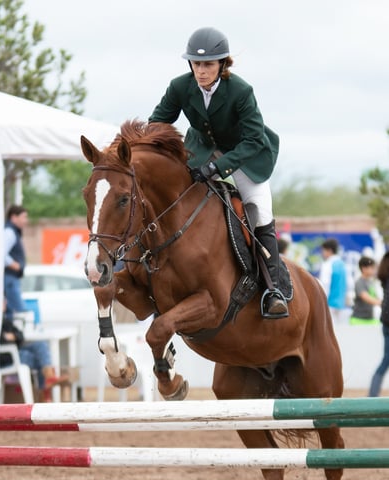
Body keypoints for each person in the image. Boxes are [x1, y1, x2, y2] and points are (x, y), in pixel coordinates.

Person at [148, 27, 288, 318]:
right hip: (201, 150)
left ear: (222, 64)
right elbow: (158, 122)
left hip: (246, 155)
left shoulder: (240, 91)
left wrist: (218, 167)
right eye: (197, 64)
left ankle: (273, 289)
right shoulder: (179, 86)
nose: (201, 71)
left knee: (260, 212)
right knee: (176, 200)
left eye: (208, 64)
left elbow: (253, 140)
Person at [0, 291, 68, 402]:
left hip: (15, 350)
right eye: (2, 300)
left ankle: (48, 379)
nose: (5, 302)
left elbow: (20, 335)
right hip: (5, 357)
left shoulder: (2, 318)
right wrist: (11, 337)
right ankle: (45, 392)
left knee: (41, 345)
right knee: (36, 358)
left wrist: (13, 336)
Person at [369, 252, 389, 396]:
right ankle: (372, 395)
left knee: (385, 360)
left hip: (386, 322)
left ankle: (372, 394)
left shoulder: (384, 277)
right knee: (385, 361)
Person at [4, 204, 28, 319]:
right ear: (14, 217)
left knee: (11, 312)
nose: (26, 221)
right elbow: (1, 254)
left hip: (11, 278)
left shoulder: (12, 231)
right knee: (19, 312)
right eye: (23, 217)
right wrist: (15, 265)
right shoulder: (10, 232)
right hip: (10, 278)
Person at [318, 238, 347, 322]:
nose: (322, 253)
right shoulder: (342, 264)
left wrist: (321, 303)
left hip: (329, 304)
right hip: (341, 304)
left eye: (323, 251)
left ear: (329, 250)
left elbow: (325, 284)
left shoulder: (327, 264)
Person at [350, 256, 381, 325]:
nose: (374, 270)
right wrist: (384, 304)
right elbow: (367, 298)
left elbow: (376, 298)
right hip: (358, 320)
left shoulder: (371, 282)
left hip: (370, 319)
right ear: (364, 268)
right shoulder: (359, 282)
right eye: (372, 268)